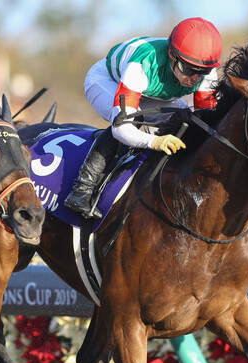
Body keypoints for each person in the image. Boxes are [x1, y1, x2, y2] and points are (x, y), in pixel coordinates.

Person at [64, 17, 222, 219]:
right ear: (172, 55)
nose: (195, 78)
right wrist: (154, 141)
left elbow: (207, 123)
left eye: (203, 72)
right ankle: (82, 190)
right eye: (189, 69)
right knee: (132, 121)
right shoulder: (142, 64)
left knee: (188, 120)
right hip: (106, 81)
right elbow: (122, 128)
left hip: (151, 94)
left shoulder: (205, 72)